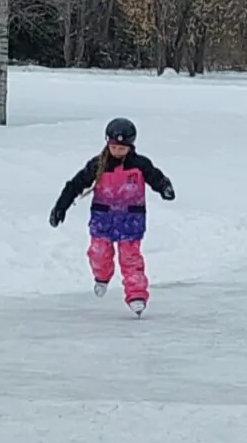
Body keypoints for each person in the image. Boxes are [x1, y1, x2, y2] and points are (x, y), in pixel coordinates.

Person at [49, 118, 176, 315]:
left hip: (130, 221)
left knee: (131, 259)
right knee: (99, 253)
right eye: (114, 147)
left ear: (130, 146)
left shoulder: (140, 165)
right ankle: (102, 276)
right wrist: (61, 207)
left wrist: (165, 187)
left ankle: (136, 295)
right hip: (103, 219)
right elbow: (75, 185)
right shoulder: (98, 165)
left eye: (122, 148)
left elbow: (155, 177)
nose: (118, 151)